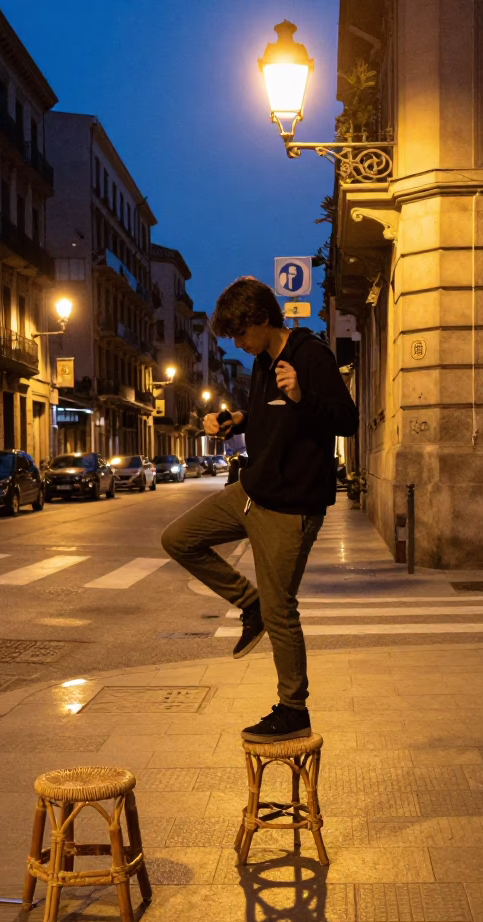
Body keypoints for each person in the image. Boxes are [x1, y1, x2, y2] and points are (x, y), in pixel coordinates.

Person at [161, 277, 359, 742]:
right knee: (178, 539)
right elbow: (266, 412)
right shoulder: (263, 362)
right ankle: (248, 606)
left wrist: (302, 398)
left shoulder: (311, 357)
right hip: (250, 491)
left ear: (261, 320)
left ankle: (294, 710)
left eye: (240, 334)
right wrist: (233, 419)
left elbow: (346, 421)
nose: (238, 344)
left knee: (281, 610)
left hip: (291, 507)